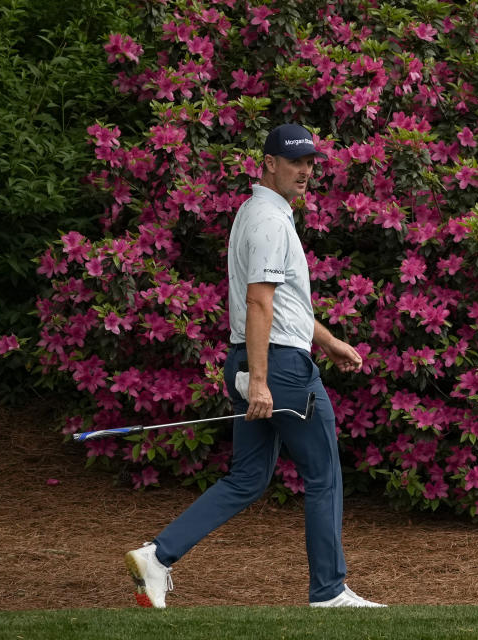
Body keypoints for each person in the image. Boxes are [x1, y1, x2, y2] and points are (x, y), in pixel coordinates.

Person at [123, 123, 385, 609]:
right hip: (279, 368)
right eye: (295, 161)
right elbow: (260, 303)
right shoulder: (269, 221)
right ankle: (328, 592)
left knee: (246, 478)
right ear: (268, 162)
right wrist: (262, 382)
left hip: (254, 358)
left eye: (310, 162)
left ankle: (158, 556)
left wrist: (327, 341)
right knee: (324, 474)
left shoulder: (254, 213)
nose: (305, 170)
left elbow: (282, 308)